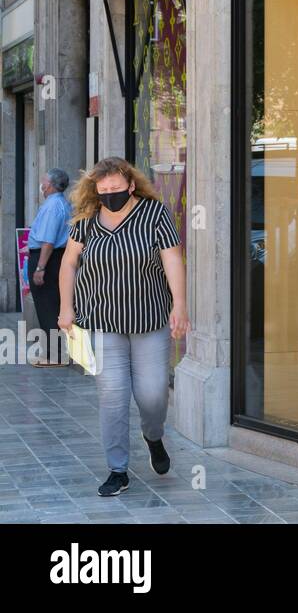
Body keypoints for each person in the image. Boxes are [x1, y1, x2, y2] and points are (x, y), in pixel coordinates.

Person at [57, 157, 188, 498]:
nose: (110, 194)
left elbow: (172, 258)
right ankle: (118, 470)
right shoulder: (86, 222)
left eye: (116, 188)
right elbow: (69, 263)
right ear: (95, 190)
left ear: (131, 185)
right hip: (103, 322)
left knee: (153, 394)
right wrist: (65, 308)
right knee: (112, 397)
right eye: (103, 190)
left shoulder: (154, 215)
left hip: (149, 320)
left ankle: (154, 437)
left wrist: (180, 304)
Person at [26, 169, 73, 366]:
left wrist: (40, 268)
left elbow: (48, 241)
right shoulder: (60, 203)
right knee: (52, 305)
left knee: (47, 307)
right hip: (54, 258)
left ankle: (55, 355)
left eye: (44, 181)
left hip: (48, 259)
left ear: (51, 185)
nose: (42, 184)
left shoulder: (53, 206)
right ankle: (56, 353)